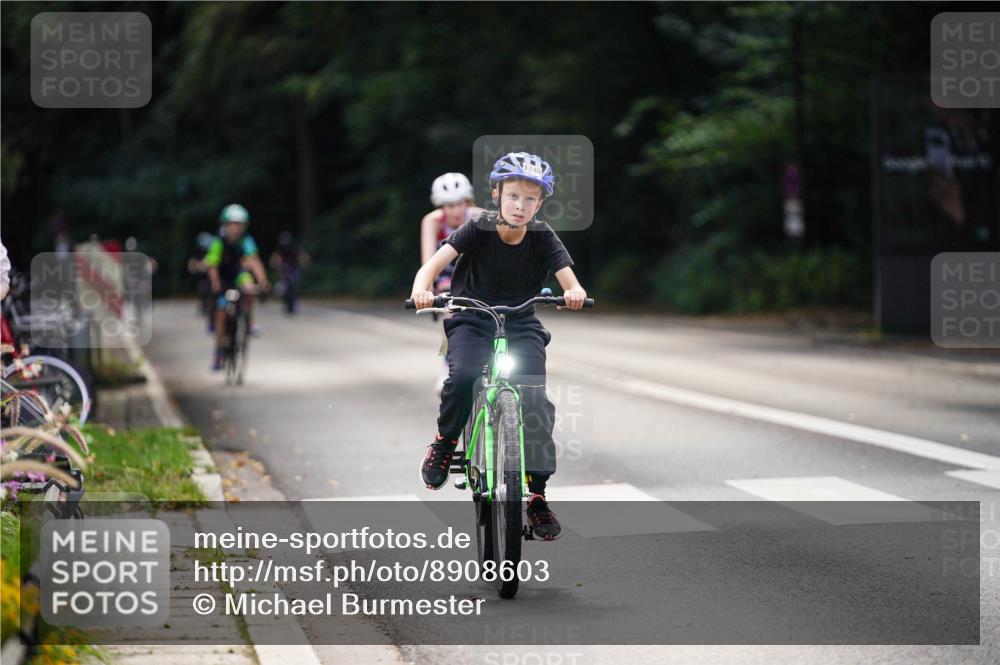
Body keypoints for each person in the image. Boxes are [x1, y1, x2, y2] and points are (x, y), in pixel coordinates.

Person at [409, 152, 588, 541]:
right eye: (513, 196)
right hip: (471, 319)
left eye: (529, 199)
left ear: (539, 204)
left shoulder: (543, 236)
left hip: (522, 323)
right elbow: (433, 265)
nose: (520, 205)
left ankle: (537, 496)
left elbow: (569, 280)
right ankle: (444, 443)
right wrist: (422, 290)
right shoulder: (478, 228)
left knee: (536, 401)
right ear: (496, 195)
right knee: (464, 375)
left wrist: (574, 292)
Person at [421, 173, 485, 393]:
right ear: (441, 206)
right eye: (449, 205)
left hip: (477, 272)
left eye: (460, 204)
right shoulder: (432, 221)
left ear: (467, 202)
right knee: (452, 316)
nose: (455, 211)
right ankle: (447, 366)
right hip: (447, 275)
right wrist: (427, 291)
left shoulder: (481, 217)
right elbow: (428, 259)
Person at [204, 204, 270, 370]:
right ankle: (219, 349)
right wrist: (215, 282)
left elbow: (254, 260)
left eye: (238, 225)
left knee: (249, 288)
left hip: (238, 275)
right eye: (231, 224)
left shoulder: (246, 241)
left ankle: (249, 322)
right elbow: (212, 264)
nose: (235, 229)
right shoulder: (218, 241)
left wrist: (262, 279)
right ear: (225, 225)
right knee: (221, 312)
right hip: (223, 277)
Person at [269, 232, 310, 315]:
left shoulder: (294, 248)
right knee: (280, 288)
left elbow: (303, 257)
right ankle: (286, 300)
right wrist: (275, 265)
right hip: (284, 269)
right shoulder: (280, 249)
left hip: (293, 269)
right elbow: (274, 258)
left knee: (295, 283)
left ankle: (295, 300)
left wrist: (304, 263)